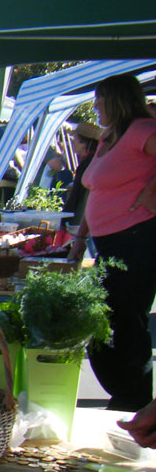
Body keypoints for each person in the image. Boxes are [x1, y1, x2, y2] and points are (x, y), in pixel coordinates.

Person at [68, 73, 156, 412]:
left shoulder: (143, 131)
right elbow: (96, 191)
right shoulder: (109, 137)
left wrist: (151, 190)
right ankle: (125, 394)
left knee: (125, 321)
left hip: (138, 240)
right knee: (105, 321)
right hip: (107, 244)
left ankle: (134, 401)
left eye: (99, 101)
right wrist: (80, 240)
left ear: (116, 100)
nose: (95, 108)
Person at [59, 121, 101, 226]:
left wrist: (64, 220)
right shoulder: (94, 160)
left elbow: (77, 194)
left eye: (75, 139)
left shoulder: (87, 163)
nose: (72, 142)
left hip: (81, 219)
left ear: (84, 143)